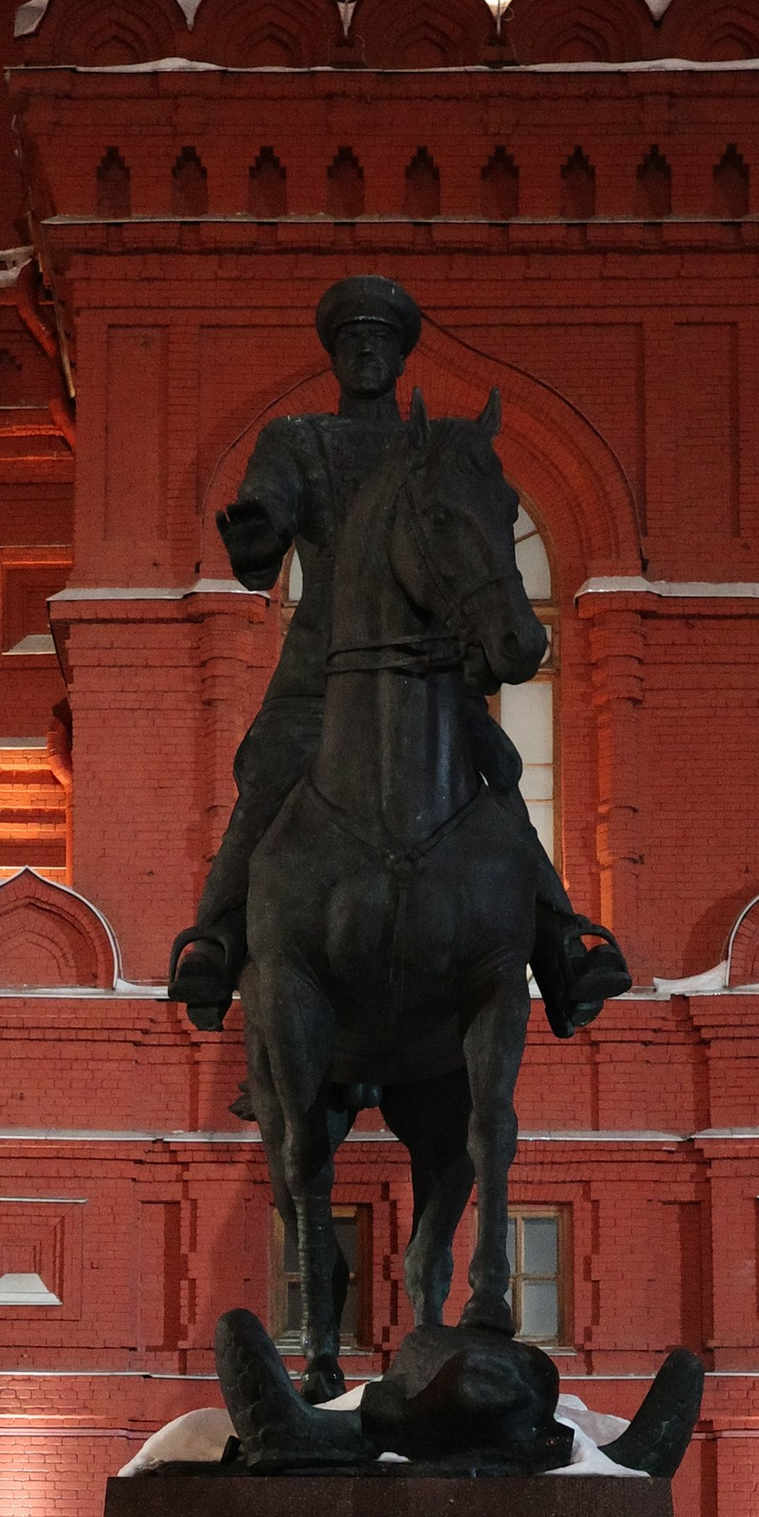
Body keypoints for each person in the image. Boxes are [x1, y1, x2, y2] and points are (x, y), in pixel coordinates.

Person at [166, 270, 632, 1041]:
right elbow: (264, 536)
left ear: (402, 356)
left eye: (380, 341)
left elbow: (470, 540)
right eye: (352, 340)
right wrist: (255, 535)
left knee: (498, 777)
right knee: (271, 774)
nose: (366, 353)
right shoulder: (299, 440)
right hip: (319, 677)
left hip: (428, 676)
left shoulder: (437, 447)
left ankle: (560, 947)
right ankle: (215, 943)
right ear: (334, 354)